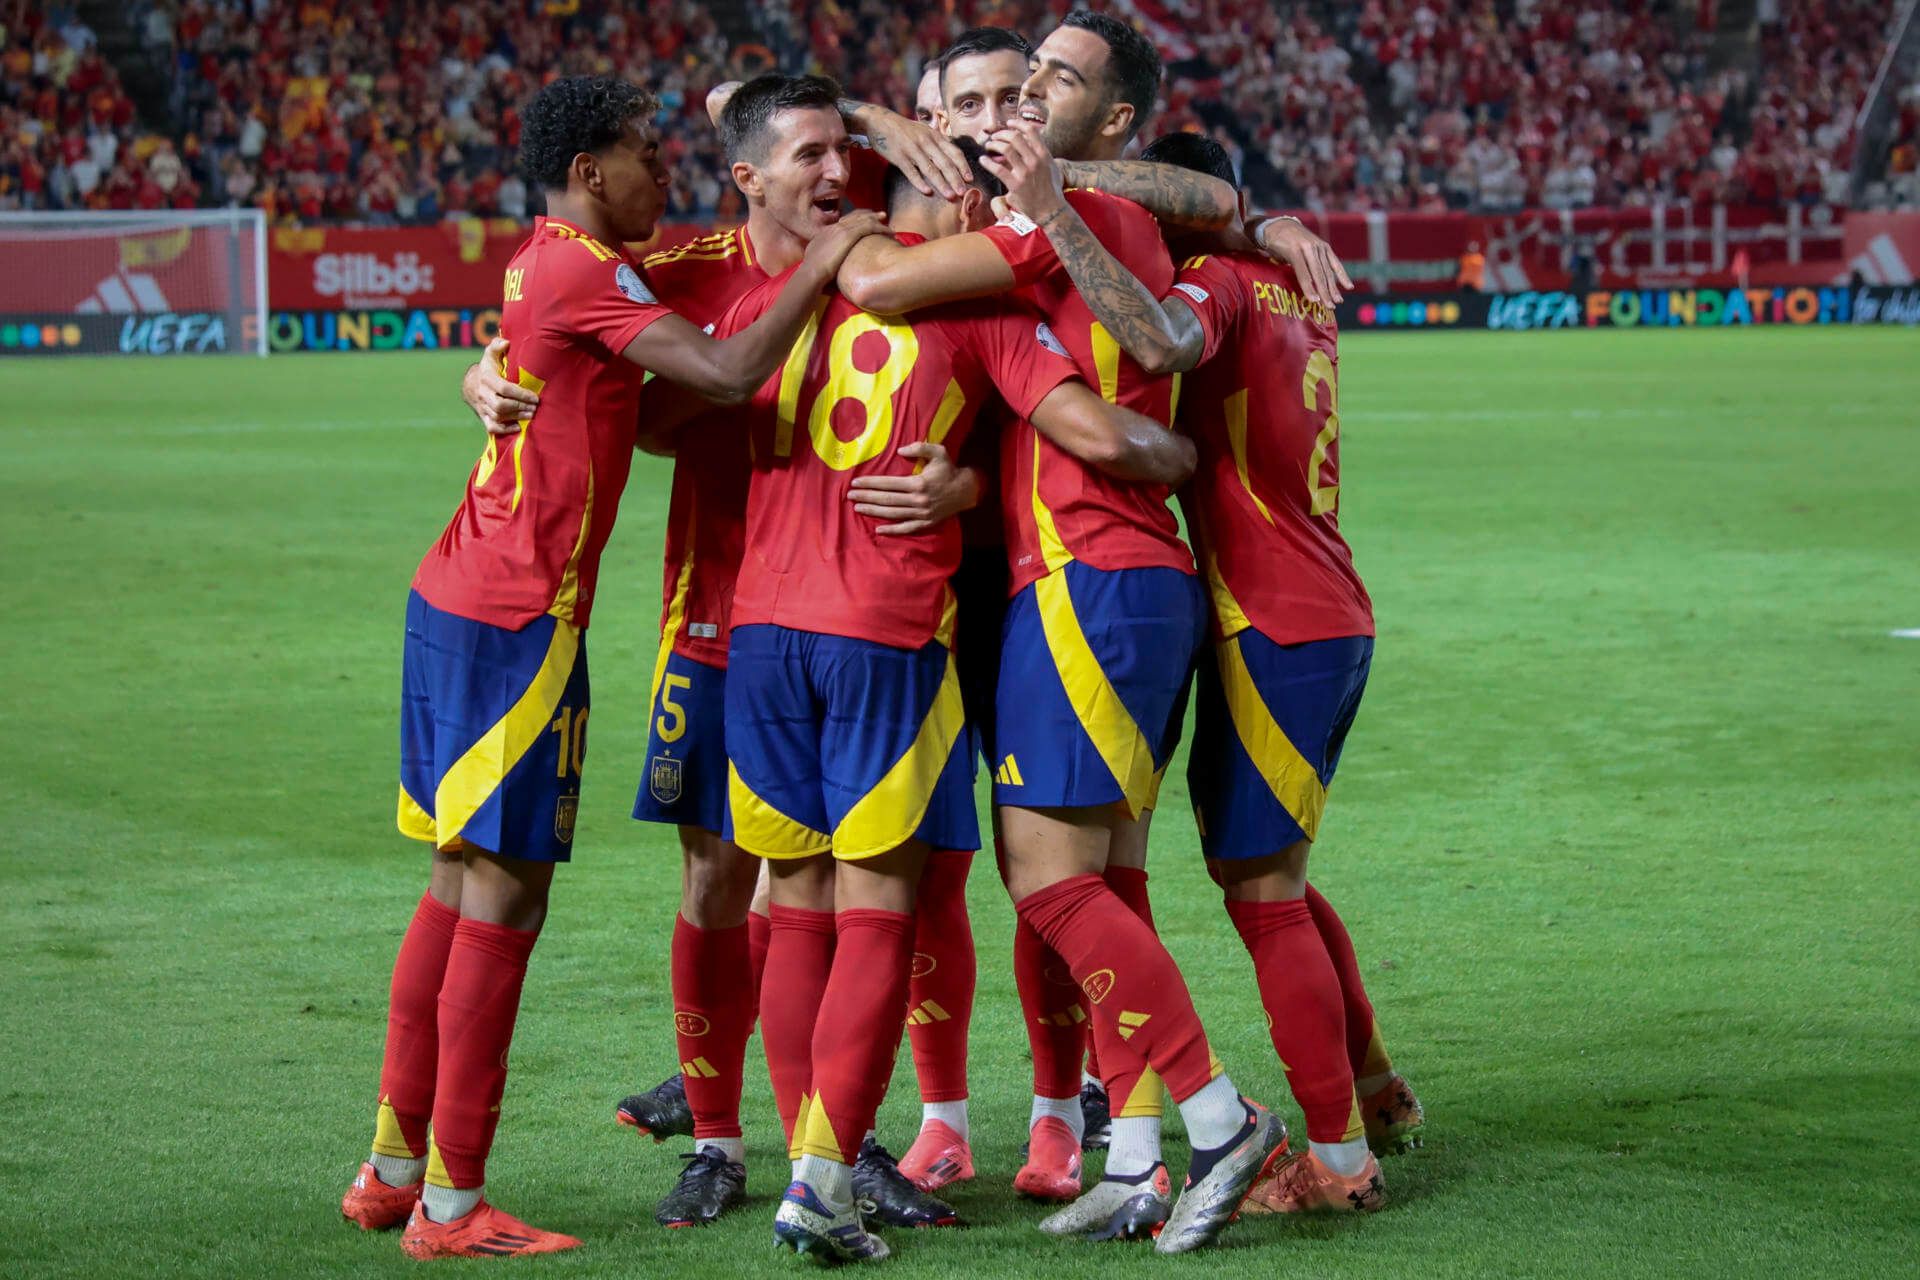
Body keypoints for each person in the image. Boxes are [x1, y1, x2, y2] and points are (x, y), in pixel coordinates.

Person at [338, 74, 881, 1260]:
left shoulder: (550, 258)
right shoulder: (592, 266)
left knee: (454, 883)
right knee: (504, 899)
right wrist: (828, 261)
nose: (664, 172)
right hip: (518, 617)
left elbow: (587, 369)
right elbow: (725, 373)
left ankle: (392, 1167)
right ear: (591, 171)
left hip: (460, 595)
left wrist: (485, 367)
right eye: (645, 152)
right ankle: (451, 1205)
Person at [464, 73, 977, 1233]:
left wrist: (967, 480)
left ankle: (837, 1144)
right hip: (717, 612)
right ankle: (715, 1139)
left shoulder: (890, 259)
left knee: (856, 887)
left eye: (844, 152)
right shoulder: (690, 267)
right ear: (751, 175)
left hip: (863, 618)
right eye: (813, 153)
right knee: (716, 879)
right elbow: (563, 331)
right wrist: (487, 367)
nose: (836, 172)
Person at [705, 127, 1198, 1266]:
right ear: (955, 206)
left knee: (796, 905)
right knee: (884, 907)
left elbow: (681, 405)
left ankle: (805, 1158)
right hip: (884, 637)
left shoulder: (779, 297)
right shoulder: (983, 313)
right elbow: (1093, 432)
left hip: (760, 635)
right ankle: (824, 1180)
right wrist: (1176, 459)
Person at [835, 12, 1285, 1253]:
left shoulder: (1059, 217)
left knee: (1045, 874)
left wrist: (859, 218)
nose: (1023, 97)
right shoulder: (1094, 214)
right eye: (1014, 79)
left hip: (1088, 574)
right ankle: (1134, 1157)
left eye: (1045, 81)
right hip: (1117, 577)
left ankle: (1218, 1115)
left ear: (1109, 121)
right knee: (1107, 877)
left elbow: (876, 284)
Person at [997, 124, 1426, 1214]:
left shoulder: (1222, 284)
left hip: (1265, 615)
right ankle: (1376, 1087)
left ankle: (1336, 1163)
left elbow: (1155, 343)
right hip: (1323, 607)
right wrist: (1274, 224)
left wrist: (1060, 211)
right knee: (1277, 878)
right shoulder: (1293, 287)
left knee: (1266, 899)